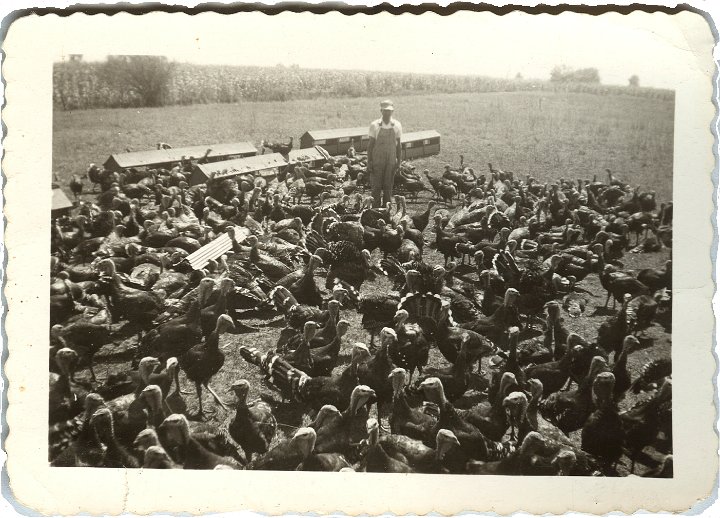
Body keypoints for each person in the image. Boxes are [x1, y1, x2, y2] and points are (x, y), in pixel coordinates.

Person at [367, 100, 402, 208]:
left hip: (391, 160)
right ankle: (375, 210)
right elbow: (370, 145)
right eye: (385, 111)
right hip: (377, 159)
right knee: (376, 186)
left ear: (392, 111)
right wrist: (369, 161)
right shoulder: (374, 125)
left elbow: (399, 145)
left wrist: (399, 161)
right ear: (381, 110)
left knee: (388, 186)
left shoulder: (397, 125)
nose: (387, 113)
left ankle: (386, 211)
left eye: (389, 111)